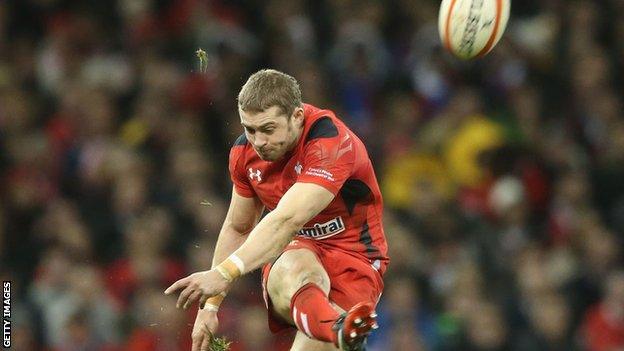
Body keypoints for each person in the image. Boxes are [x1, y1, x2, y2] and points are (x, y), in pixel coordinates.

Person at [165, 69, 389, 351]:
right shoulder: (244, 154)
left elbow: (287, 219)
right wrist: (209, 307)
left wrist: (223, 273)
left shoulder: (331, 143)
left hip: (354, 257)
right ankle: (339, 328)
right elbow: (239, 227)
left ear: (296, 116)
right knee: (296, 265)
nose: (258, 141)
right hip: (295, 249)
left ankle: (340, 330)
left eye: (268, 129)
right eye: (250, 129)